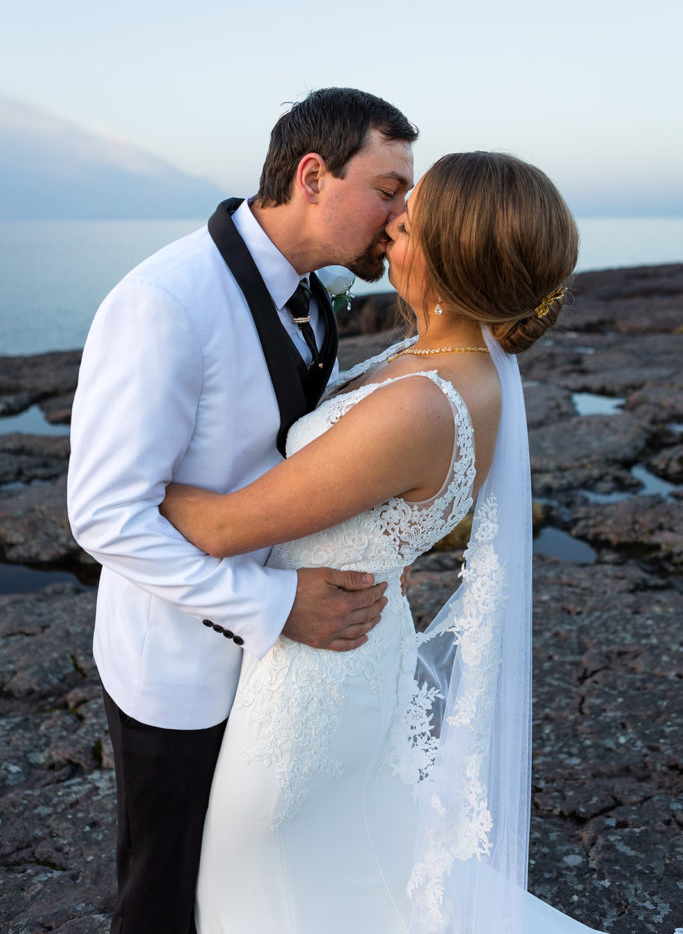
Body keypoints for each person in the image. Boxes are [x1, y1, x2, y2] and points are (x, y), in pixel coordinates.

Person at [160, 152, 614, 934]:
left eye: (410, 221)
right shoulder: (444, 360)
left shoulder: (424, 404)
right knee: (339, 873)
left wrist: (118, 463)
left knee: (252, 879)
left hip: (311, 684)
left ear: (448, 257)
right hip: (351, 650)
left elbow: (221, 526)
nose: (389, 227)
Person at [66, 87, 418, 934]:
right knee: (163, 896)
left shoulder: (307, 288)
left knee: (244, 885)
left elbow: (282, 433)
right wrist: (276, 606)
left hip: (277, 678)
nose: (401, 214)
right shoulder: (165, 302)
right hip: (178, 669)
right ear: (310, 176)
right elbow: (104, 515)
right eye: (388, 188)